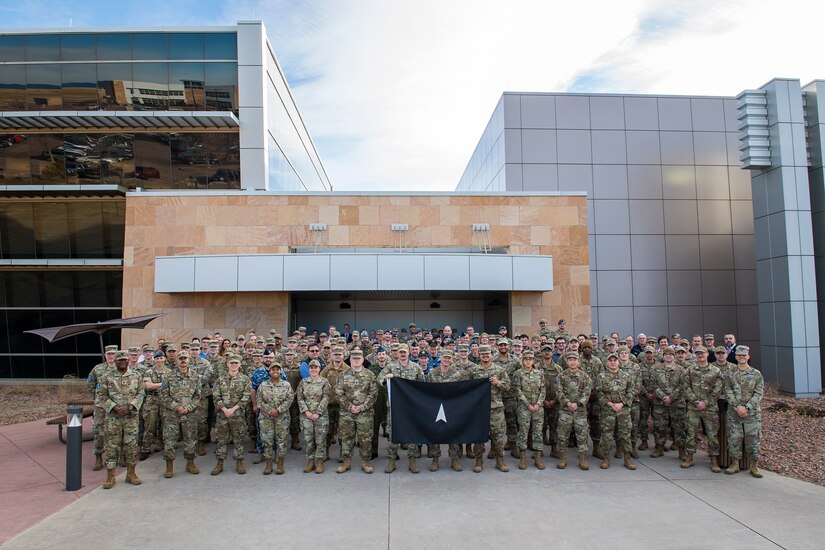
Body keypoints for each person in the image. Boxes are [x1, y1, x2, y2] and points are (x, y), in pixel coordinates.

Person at [99, 351, 146, 489]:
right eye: (120, 360)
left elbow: (141, 393)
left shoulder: (136, 375)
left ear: (128, 360)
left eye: (125, 360)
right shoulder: (106, 376)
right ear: (116, 361)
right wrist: (114, 407)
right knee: (112, 446)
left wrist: (130, 406)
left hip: (130, 417)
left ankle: (131, 473)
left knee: (131, 445)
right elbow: (101, 395)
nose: (122, 362)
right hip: (113, 418)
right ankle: (110, 476)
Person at [378, 343, 426, 473]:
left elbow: (423, 384)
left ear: (409, 353)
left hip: (411, 408)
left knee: (412, 433)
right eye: (400, 352)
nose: (403, 354)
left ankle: (412, 461)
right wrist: (385, 378)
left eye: (405, 351)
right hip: (395, 407)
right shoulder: (391, 367)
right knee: (392, 433)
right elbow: (379, 378)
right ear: (397, 353)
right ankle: (391, 461)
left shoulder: (416, 368)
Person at [334, 349, 378, 474]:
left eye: (359, 358)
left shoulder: (370, 375)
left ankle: (365, 462)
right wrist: (349, 406)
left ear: (363, 360)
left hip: (365, 413)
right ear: (350, 360)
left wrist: (362, 407)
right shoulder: (343, 375)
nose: (356, 360)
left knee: (365, 438)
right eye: (354, 358)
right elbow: (338, 393)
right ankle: (346, 462)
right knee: (346, 437)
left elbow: (373, 394)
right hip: (347, 413)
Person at [469, 344, 511, 473]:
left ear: (491, 355)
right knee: (478, 436)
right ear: (479, 356)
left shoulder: (499, 370)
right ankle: (479, 461)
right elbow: (468, 388)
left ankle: (500, 461)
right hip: (479, 410)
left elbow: (508, 386)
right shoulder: (474, 371)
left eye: (487, 354)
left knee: (498, 436)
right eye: (483, 354)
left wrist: (498, 382)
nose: (485, 356)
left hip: (496, 409)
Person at [724, 346, 764, 477]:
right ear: (735, 357)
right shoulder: (730, 373)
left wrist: (746, 408)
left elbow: (758, 393)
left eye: (744, 355)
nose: (741, 357)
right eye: (739, 355)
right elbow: (727, 392)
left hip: (752, 413)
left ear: (748, 356)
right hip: (734, 413)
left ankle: (754, 466)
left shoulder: (756, 374)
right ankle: (734, 464)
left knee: (753, 439)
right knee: (734, 438)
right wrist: (737, 407)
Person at [683, 346, 723, 471]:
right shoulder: (690, 370)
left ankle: (714, 460)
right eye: (697, 353)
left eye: (702, 353)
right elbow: (686, 386)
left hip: (709, 408)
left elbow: (718, 389)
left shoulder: (715, 371)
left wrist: (706, 402)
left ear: (707, 354)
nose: (700, 355)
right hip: (693, 408)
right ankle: (689, 457)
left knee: (712, 434)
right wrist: (696, 401)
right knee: (691, 433)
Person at [162, 350, 201, 478]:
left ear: (189, 360)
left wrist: (188, 408)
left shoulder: (195, 377)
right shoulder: (168, 376)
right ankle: (169, 467)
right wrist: (176, 407)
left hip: (189, 414)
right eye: (181, 358)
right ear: (177, 360)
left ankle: (190, 463)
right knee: (169, 440)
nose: (183, 360)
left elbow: (197, 396)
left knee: (190, 439)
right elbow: (164, 395)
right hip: (172, 414)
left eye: (185, 358)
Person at [426, 350, 467, 471]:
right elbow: (427, 390)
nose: (447, 360)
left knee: (452, 432)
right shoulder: (432, 373)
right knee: (435, 432)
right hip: (436, 406)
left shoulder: (457, 374)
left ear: (452, 360)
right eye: (445, 358)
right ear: (440, 358)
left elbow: (460, 391)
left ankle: (454, 459)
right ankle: (435, 459)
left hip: (451, 407)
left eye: (449, 358)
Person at [211, 355, 251, 475]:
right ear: (227, 364)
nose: (233, 365)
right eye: (231, 363)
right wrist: (224, 409)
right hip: (222, 415)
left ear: (240, 364)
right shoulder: (220, 380)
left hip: (237, 414)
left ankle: (239, 463)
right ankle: (220, 463)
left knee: (238, 439)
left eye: (236, 363)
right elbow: (216, 396)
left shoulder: (245, 379)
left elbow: (246, 397)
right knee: (221, 440)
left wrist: (233, 409)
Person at [595, 353, 635, 470]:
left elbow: (631, 391)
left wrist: (622, 403)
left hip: (623, 410)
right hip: (608, 410)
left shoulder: (626, 376)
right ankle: (606, 458)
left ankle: (627, 458)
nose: (613, 362)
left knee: (625, 434)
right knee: (607, 434)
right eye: (610, 360)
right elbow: (598, 392)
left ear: (618, 362)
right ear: (607, 362)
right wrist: (610, 404)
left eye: (615, 360)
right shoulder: (601, 377)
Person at [555, 351, 592, 470]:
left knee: (582, 435)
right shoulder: (561, 376)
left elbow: (587, 392)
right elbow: (558, 391)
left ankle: (582, 459)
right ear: (566, 361)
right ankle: (563, 458)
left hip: (580, 410)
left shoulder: (585, 376)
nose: (572, 362)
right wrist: (567, 403)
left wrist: (578, 403)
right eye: (570, 359)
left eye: (574, 359)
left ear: (578, 361)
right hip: (565, 410)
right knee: (563, 435)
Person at [257, 362, 293, 475]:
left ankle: (280, 465)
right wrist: (269, 411)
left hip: (282, 417)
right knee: (267, 440)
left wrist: (278, 410)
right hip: (266, 417)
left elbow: (290, 399)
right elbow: (259, 400)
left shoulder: (286, 385)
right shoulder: (263, 385)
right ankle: (268, 465)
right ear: (269, 371)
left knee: (281, 440)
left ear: (281, 371)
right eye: (273, 369)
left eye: (277, 369)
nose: (275, 371)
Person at [650, 347, 686, 460]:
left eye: (671, 354)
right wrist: (663, 396)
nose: (668, 356)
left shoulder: (681, 370)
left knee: (679, 427)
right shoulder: (655, 368)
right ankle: (659, 448)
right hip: (660, 403)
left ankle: (681, 451)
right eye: (666, 354)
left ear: (674, 356)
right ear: (663, 356)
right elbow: (653, 385)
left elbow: (682, 386)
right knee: (660, 426)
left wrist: (671, 397)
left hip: (677, 403)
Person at [512, 351, 545, 470]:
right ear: (522, 361)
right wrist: (528, 405)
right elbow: (517, 391)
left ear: (533, 360)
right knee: (523, 432)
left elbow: (543, 390)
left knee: (537, 432)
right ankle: (523, 458)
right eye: (526, 359)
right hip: (524, 408)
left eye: (530, 359)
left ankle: (537, 458)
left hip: (538, 408)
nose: (528, 361)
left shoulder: (539, 373)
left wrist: (537, 404)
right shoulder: (518, 374)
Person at [297, 359, 331, 473]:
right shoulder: (303, 382)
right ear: (308, 369)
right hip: (306, 416)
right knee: (308, 439)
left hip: (320, 416)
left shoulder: (324, 382)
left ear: (319, 369)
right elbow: (300, 398)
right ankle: (310, 461)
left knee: (320, 439)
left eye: (315, 367)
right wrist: (306, 412)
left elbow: (326, 398)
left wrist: (317, 413)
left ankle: (319, 461)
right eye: (311, 368)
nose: (313, 369)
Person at [87, 344, 118, 471]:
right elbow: (90, 383)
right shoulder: (98, 369)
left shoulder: (121, 368)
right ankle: (98, 456)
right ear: (105, 355)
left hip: (116, 405)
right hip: (101, 406)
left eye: (113, 354)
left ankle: (115, 456)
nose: (111, 356)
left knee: (115, 431)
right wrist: (97, 396)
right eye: (109, 354)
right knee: (99, 431)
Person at [320, 347, 349, 462]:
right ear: (332, 356)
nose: (337, 356)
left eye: (340, 354)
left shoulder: (347, 369)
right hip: (329, 405)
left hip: (342, 405)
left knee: (343, 430)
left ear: (343, 356)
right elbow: (321, 383)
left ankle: (343, 452)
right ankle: (326, 452)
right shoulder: (326, 369)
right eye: (335, 354)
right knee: (328, 429)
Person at [140, 350, 167, 461]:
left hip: (165, 400)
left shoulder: (170, 372)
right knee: (150, 425)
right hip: (152, 399)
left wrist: (156, 385)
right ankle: (145, 449)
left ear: (164, 359)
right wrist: (163, 384)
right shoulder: (149, 372)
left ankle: (163, 446)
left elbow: (173, 387)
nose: (159, 360)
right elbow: (148, 386)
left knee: (165, 425)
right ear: (154, 360)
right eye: (157, 358)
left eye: (161, 358)